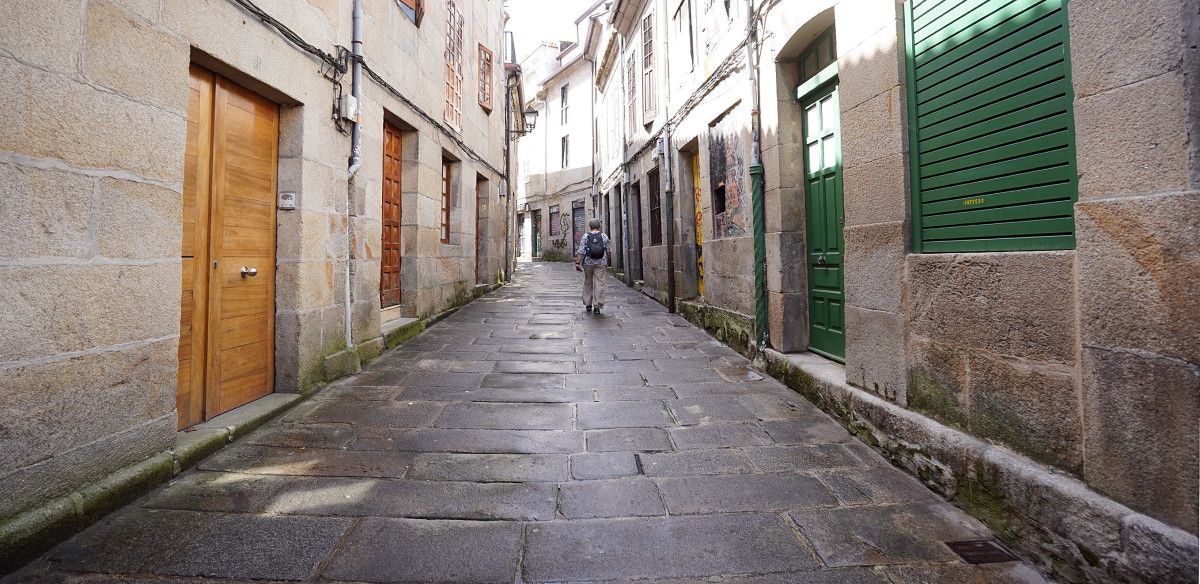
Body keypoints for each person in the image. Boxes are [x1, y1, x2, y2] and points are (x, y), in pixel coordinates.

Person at [575, 218, 610, 314]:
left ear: (590, 227)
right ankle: (597, 305)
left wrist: (578, 263)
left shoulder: (586, 236)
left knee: (588, 282)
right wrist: (607, 261)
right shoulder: (604, 236)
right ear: (599, 227)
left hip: (588, 263)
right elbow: (608, 250)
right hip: (601, 262)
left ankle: (588, 304)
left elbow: (581, 250)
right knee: (600, 283)